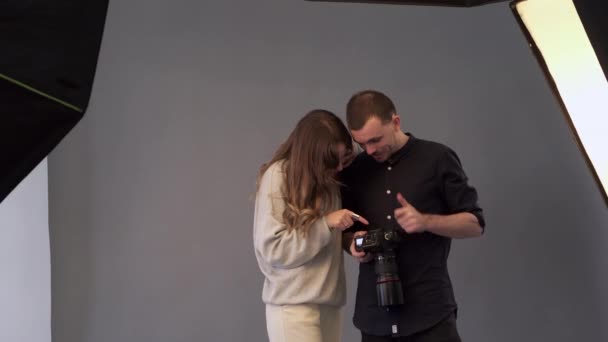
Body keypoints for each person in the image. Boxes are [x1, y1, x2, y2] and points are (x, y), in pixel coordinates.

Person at [340, 90, 485, 342]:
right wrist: (351, 243)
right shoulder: (354, 170)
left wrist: (427, 221)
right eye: (361, 143)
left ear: (396, 122)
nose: (369, 150)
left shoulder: (438, 158)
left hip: (429, 313)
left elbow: (475, 224)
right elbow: (343, 231)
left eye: (375, 139)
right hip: (374, 318)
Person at [253, 109, 369, 342]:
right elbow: (273, 250)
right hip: (293, 307)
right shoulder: (279, 176)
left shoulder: (328, 179)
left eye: (342, 158)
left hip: (329, 305)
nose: (338, 168)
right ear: (311, 154)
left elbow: (325, 240)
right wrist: (325, 223)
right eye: (330, 161)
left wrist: (349, 243)